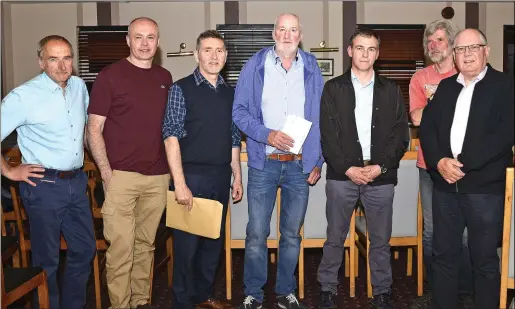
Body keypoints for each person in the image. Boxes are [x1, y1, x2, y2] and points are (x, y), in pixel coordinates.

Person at [233, 13, 324, 309]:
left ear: (300, 35)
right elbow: (239, 112)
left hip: (300, 165)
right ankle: (253, 293)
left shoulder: (311, 67)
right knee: (257, 232)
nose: (287, 35)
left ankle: (285, 290)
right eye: (282, 30)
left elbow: (322, 118)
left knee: (291, 235)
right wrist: (266, 135)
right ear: (274, 34)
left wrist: (317, 160)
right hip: (264, 162)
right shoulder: (255, 65)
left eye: (293, 30)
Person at [419, 28, 514, 309]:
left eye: (474, 47)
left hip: (485, 190)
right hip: (445, 187)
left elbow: (505, 134)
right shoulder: (446, 87)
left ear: (486, 50)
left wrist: (462, 164)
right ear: (454, 55)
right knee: (443, 256)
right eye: (461, 49)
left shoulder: (504, 86)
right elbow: (428, 129)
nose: (467, 54)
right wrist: (438, 162)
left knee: (483, 260)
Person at [316, 28, 409, 309]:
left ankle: (382, 291)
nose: (365, 54)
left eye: (371, 49)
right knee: (335, 237)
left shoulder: (391, 90)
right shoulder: (333, 89)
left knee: (380, 240)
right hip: (342, 177)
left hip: (380, 177)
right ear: (350, 51)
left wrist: (380, 167)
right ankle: (326, 289)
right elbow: (327, 137)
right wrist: (348, 169)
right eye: (359, 48)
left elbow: (400, 136)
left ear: (377, 54)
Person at [0, 35, 95, 309]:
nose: (62, 65)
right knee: (47, 260)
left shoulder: (78, 86)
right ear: (41, 62)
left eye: (67, 57)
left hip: (76, 183)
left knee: (84, 249)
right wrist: (10, 171)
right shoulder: (22, 96)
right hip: (43, 185)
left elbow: (85, 130)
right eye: (53, 59)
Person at [87, 17, 173, 309]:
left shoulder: (165, 77)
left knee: (145, 247)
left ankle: (140, 302)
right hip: (120, 177)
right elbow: (93, 129)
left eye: (151, 38)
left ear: (158, 43)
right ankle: (120, 305)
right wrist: (107, 174)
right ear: (128, 40)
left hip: (158, 177)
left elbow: (167, 129)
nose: (145, 43)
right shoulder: (109, 76)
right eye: (139, 37)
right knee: (121, 250)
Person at [162, 29, 243, 309]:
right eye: (207, 50)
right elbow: (170, 137)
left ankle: (204, 296)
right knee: (186, 247)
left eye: (219, 50)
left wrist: (237, 177)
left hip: (220, 176)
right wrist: (180, 183)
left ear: (226, 56)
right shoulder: (180, 89)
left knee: (212, 243)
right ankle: (182, 302)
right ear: (197, 54)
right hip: (190, 177)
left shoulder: (231, 93)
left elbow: (234, 138)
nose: (214, 56)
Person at [408, 20, 474, 309]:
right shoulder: (419, 78)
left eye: (439, 40)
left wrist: (433, 103)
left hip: (466, 167)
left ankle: (465, 291)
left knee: (465, 233)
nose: (433, 45)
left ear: (452, 44)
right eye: (430, 42)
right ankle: (436, 292)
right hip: (429, 167)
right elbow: (417, 118)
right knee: (432, 231)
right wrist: (441, 101)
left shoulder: (467, 74)